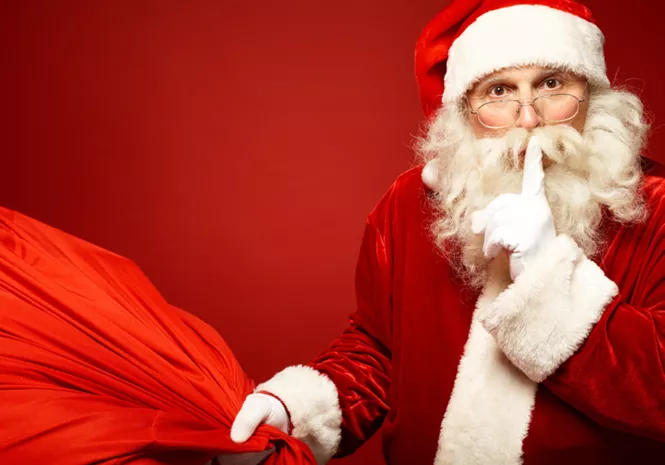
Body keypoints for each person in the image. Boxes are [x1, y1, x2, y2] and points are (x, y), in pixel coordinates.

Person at [224, 0, 665, 464]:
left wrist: (546, 278)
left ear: (591, 90)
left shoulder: (652, 205)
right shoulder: (413, 199)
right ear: (465, 109)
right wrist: (290, 415)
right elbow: (377, 352)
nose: (529, 118)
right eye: (498, 92)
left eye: (552, 84)